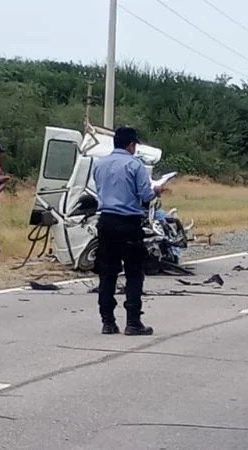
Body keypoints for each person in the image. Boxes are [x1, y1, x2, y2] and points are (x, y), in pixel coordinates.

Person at [93, 127, 165, 336]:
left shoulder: (99, 164)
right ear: (131, 145)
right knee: (134, 273)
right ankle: (133, 321)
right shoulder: (135, 165)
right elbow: (145, 195)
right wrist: (156, 191)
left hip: (106, 221)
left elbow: (99, 190)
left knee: (107, 273)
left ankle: (108, 321)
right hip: (129, 223)